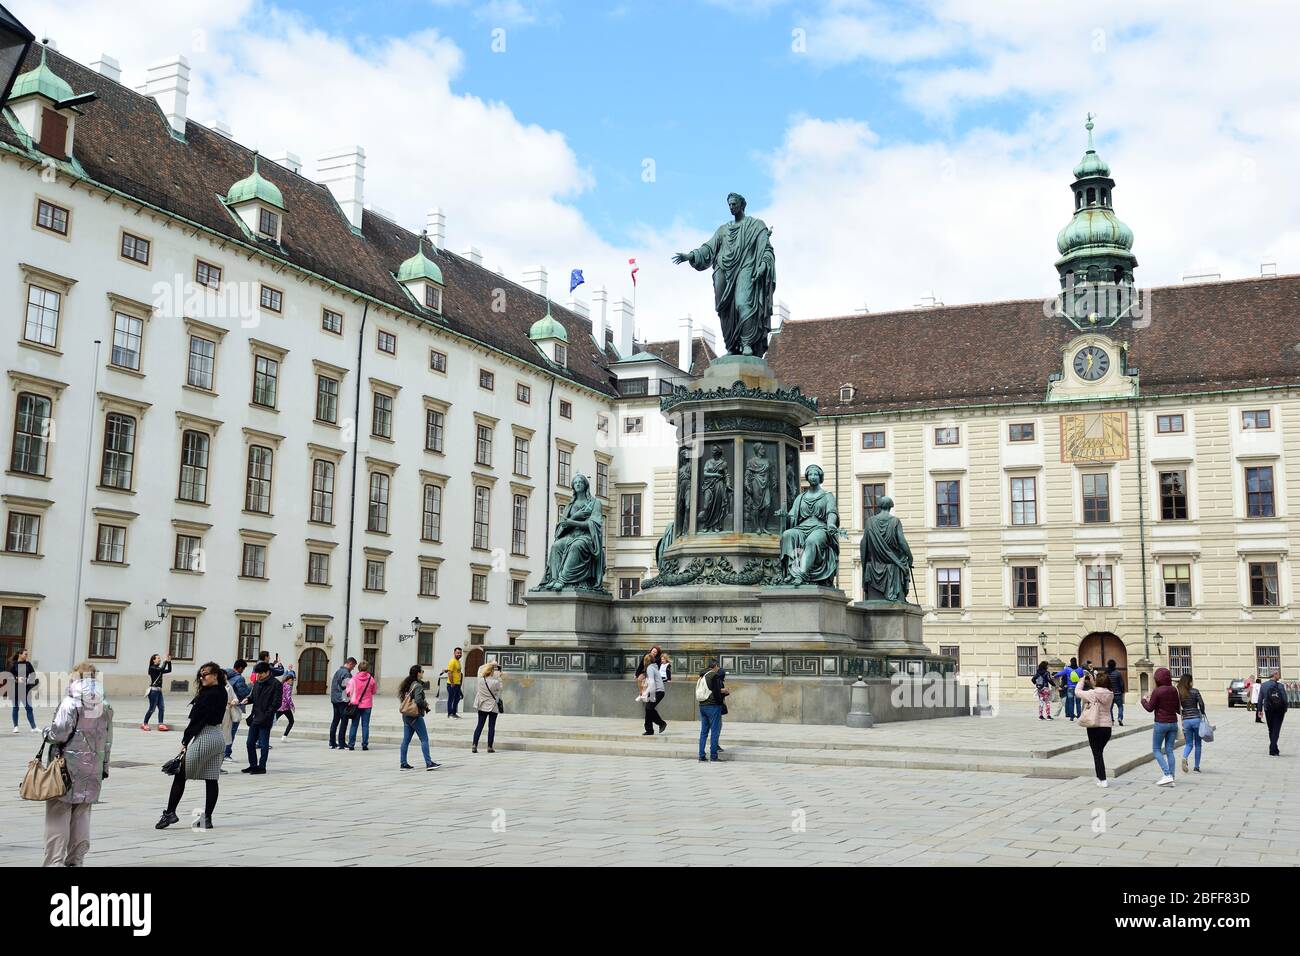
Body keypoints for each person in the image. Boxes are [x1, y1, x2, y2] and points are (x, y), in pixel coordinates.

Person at [43, 661, 113, 866]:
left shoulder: (71, 701)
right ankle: (76, 860)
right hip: (93, 767)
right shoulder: (105, 704)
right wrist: (104, 766)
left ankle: (53, 861)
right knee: (82, 814)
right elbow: (108, 740)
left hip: (66, 766)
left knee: (58, 813)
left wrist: (46, 731)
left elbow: (59, 733)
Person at [157, 663, 227, 830]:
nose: (202, 677)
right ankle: (207, 819)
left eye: (206, 674)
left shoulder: (208, 695)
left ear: (216, 675)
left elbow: (198, 720)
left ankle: (170, 813)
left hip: (205, 736)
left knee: (180, 774)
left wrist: (185, 741)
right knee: (211, 779)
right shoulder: (222, 691)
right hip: (218, 736)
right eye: (201, 675)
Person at [1141, 667, 1181, 786]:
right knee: (1169, 750)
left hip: (1161, 723)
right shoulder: (1174, 690)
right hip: (1173, 723)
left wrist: (1144, 700)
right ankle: (1171, 777)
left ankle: (1167, 774)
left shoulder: (1157, 691)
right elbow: (1177, 708)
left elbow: (1149, 708)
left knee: (1156, 749)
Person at [1075, 669, 1114, 788]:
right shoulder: (1110, 693)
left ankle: (1102, 779)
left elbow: (1077, 692)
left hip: (1094, 726)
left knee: (1097, 753)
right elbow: (1100, 691)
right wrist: (1093, 682)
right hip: (1107, 727)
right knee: (1099, 752)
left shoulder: (1092, 693)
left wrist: (1082, 680)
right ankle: (1100, 777)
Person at [398, 665, 440, 771]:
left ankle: (403, 763)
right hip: (415, 716)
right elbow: (418, 700)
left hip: (406, 715)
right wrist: (425, 705)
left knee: (406, 740)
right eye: (422, 671)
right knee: (424, 739)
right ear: (418, 673)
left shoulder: (408, 684)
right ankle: (429, 763)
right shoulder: (417, 686)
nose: (423, 673)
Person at [242, 662, 280, 774]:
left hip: (266, 718)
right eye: (257, 673)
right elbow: (253, 697)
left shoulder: (276, 684)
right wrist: (247, 700)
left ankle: (262, 767)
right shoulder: (257, 683)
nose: (258, 676)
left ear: (267, 672)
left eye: (260, 673)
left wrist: (267, 714)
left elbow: (276, 703)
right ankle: (253, 765)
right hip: (255, 717)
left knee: (263, 744)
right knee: (250, 743)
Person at [1177, 673, 1207, 774]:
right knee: (1198, 744)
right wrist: (1202, 712)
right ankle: (1196, 767)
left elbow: (1177, 708)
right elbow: (1201, 704)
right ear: (1190, 682)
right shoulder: (1195, 691)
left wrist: (1183, 712)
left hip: (1186, 720)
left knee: (1189, 743)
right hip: (1196, 719)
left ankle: (1184, 757)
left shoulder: (1180, 693)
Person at [698, 660, 728, 762]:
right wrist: (723, 695)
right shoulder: (714, 676)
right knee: (714, 731)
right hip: (713, 706)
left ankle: (701, 755)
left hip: (702, 705)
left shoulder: (702, 675)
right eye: (718, 667)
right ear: (715, 666)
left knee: (704, 732)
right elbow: (716, 692)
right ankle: (714, 756)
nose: (718, 669)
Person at [472, 661, 503, 754]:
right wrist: (497, 668)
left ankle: (474, 745)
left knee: (479, 726)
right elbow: (501, 688)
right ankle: (490, 746)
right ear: (492, 671)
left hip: (482, 705)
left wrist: (490, 664)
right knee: (491, 727)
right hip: (493, 706)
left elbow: (480, 669)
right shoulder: (496, 682)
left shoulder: (480, 680)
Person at [346, 660, 377, 751]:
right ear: (367, 669)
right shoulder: (371, 679)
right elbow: (374, 691)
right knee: (365, 725)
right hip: (367, 705)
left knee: (354, 725)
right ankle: (364, 744)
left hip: (355, 704)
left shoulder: (354, 679)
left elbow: (348, 692)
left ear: (359, 668)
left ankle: (351, 744)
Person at [223, 659, 250, 759]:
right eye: (243, 669)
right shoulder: (239, 679)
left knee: (224, 730)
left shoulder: (225, 675)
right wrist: (250, 686)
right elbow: (244, 693)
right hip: (234, 707)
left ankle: (221, 752)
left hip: (224, 707)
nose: (243, 671)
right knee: (231, 731)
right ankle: (226, 753)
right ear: (240, 668)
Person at [328, 657, 356, 749]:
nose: (353, 668)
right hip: (342, 700)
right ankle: (341, 742)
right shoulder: (346, 673)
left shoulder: (338, 671)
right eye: (353, 666)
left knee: (335, 720)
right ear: (350, 664)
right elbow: (346, 687)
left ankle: (332, 742)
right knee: (344, 721)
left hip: (335, 699)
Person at [1259, 670, 1288, 756]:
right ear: (1274, 675)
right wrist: (1285, 708)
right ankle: (1272, 748)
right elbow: (1285, 699)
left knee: (1271, 729)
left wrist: (1260, 710)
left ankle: (1274, 749)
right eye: (1278, 674)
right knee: (1276, 729)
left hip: (1268, 710)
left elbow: (1260, 699)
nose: (1279, 675)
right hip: (1279, 710)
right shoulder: (1280, 686)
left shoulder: (1263, 685)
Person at [9, 649, 38, 733]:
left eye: (27, 654)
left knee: (29, 708)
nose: (26, 656)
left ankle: (34, 727)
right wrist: (17, 679)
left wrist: (28, 680)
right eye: (25, 654)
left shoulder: (28, 664)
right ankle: (15, 727)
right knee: (15, 708)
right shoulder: (13, 664)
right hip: (15, 689)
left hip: (25, 689)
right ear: (20, 654)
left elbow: (33, 674)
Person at [142, 653, 172, 731]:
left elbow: (169, 670)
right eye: (158, 658)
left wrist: (169, 662)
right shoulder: (152, 668)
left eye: (159, 658)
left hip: (159, 691)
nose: (159, 659)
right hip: (153, 692)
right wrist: (165, 661)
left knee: (161, 708)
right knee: (152, 709)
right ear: (153, 660)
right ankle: (144, 724)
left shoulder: (158, 669)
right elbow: (161, 669)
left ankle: (160, 724)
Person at [643, 650, 668, 736]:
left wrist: (646, 692)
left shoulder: (650, 668)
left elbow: (652, 682)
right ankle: (649, 729)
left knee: (649, 708)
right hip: (657, 690)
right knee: (648, 708)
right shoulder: (654, 667)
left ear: (646, 661)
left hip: (657, 691)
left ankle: (661, 723)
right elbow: (649, 681)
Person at [443, 647, 464, 719]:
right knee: (451, 699)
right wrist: (452, 683)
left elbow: (457, 672)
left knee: (457, 698)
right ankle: (450, 714)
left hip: (457, 684)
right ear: (454, 653)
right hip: (452, 684)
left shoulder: (458, 661)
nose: (459, 654)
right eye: (458, 653)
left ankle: (454, 713)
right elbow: (450, 673)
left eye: (460, 653)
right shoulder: (452, 661)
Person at [276, 672, 296, 739]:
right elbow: (288, 697)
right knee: (291, 721)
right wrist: (292, 706)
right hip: (286, 708)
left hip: (279, 707)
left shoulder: (282, 684)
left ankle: (262, 735)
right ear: (289, 680)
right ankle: (284, 736)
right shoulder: (288, 686)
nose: (292, 682)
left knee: (272, 721)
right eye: (292, 680)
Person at [1106, 659, 1126, 726]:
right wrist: (1123, 691)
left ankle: (1111, 720)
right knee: (1120, 706)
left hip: (1109, 693)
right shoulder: (1118, 673)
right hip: (1118, 693)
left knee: (1110, 708)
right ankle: (1120, 718)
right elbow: (1121, 684)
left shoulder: (1106, 673)